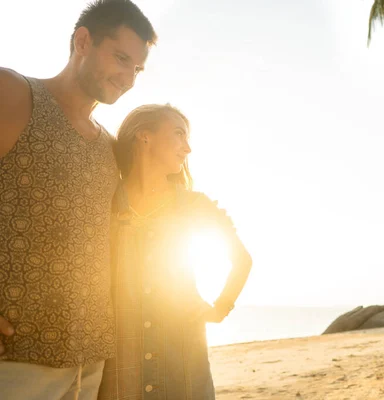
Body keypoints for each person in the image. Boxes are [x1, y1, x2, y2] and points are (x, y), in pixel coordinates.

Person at [0, 1, 156, 398]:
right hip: (15, 358)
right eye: (121, 58)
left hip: (90, 363)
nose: (128, 78)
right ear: (83, 41)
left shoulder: (108, 145)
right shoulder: (14, 93)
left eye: (137, 68)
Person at [97, 104, 253, 399]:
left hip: (181, 360)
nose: (188, 148)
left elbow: (241, 260)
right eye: (179, 135)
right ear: (145, 136)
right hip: (120, 361)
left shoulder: (195, 205)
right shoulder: (106, 201)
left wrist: (220, 307)